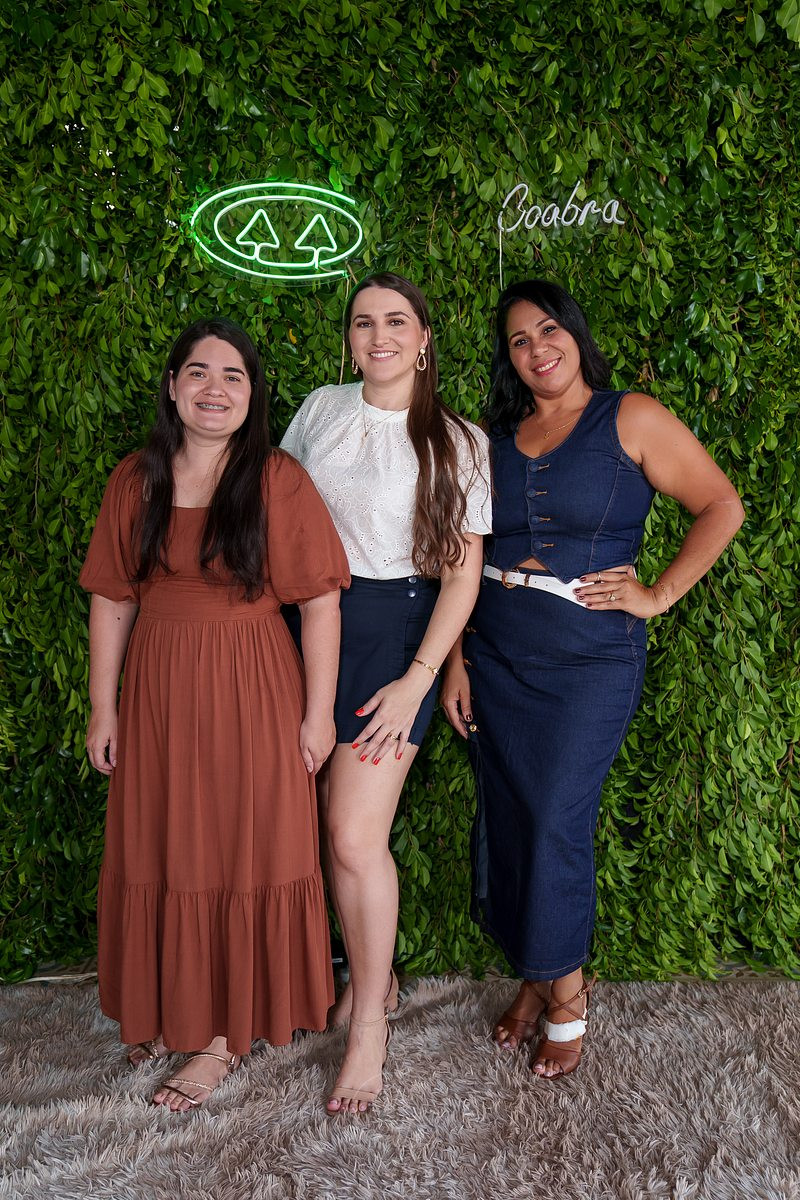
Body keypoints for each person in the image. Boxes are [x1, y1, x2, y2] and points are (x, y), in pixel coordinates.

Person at [441, 279, 744, 1080]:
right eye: (519, 340)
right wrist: (456, 661)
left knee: (552, 817)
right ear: (507, 358)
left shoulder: (629, 416)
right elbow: (464, 558)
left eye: (548, 330)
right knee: (509, 817)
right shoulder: (490, 439)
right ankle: (538, 979)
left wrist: (658, 594)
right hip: (497, 654)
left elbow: (721, 504)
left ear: (574, 334)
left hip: (589, 660)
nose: (537, 349)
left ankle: (568, 997)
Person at [80, 317, 349, 1112]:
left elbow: (322, 603)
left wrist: (319, 716)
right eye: (198, 372)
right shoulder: (136, 479)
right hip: (159, 691)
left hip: (253, 686)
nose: (214, 389)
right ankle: (171, 1005)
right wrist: (103, 708)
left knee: (240, 847)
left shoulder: (277, 480)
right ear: (172, 386)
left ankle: (224, 1038)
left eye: (233, 376)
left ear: (252, 395)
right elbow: (112, 598)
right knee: (165, 841)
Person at [280, 272, 492, 1113]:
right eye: (364, 322)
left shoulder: (459, 440)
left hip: (393, 633)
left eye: (397, 321)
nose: (379, 336)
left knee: (352, 834)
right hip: (303, 624)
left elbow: (462, 578)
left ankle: (368, 1023)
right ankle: (377, 976)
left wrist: (417, 681)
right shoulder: (319, 409)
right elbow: (276, 514)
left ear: (424, 338)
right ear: (349, 337)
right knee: (303, 825)